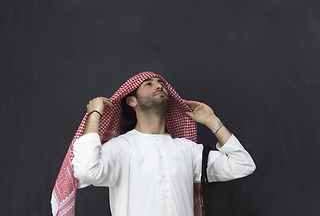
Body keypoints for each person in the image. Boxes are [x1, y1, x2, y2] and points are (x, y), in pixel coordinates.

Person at [70, 72, 256, 216]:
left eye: (162, 85)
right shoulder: (120, 148)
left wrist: (211, 120)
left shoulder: (186, 150)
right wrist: (95, 114)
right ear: (131, 100)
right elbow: (86, 170)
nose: (159, 86)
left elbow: (243, 165)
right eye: (148, 84)